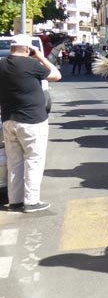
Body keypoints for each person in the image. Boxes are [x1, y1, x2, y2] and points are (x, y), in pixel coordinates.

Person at [0, 34, 61, 212]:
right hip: (32, 121)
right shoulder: (32, 64)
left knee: (14, 162)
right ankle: (31, 201)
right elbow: (56, 75)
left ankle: (15, 202)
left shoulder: (1, 65)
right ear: (28, 49)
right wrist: (40, 57)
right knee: (34, 160)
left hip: (9, 120)